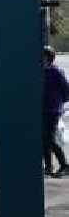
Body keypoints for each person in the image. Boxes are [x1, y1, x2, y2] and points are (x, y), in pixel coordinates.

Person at [42, 46, 69, 176]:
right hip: (43, 109)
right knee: (44, 139)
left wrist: (58, 103)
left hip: (52, 110)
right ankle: (48, 167)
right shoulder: (41, 71)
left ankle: (64, 165)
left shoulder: (55, 72)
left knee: (49, 139)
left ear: (48, 58)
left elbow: (66, 90)